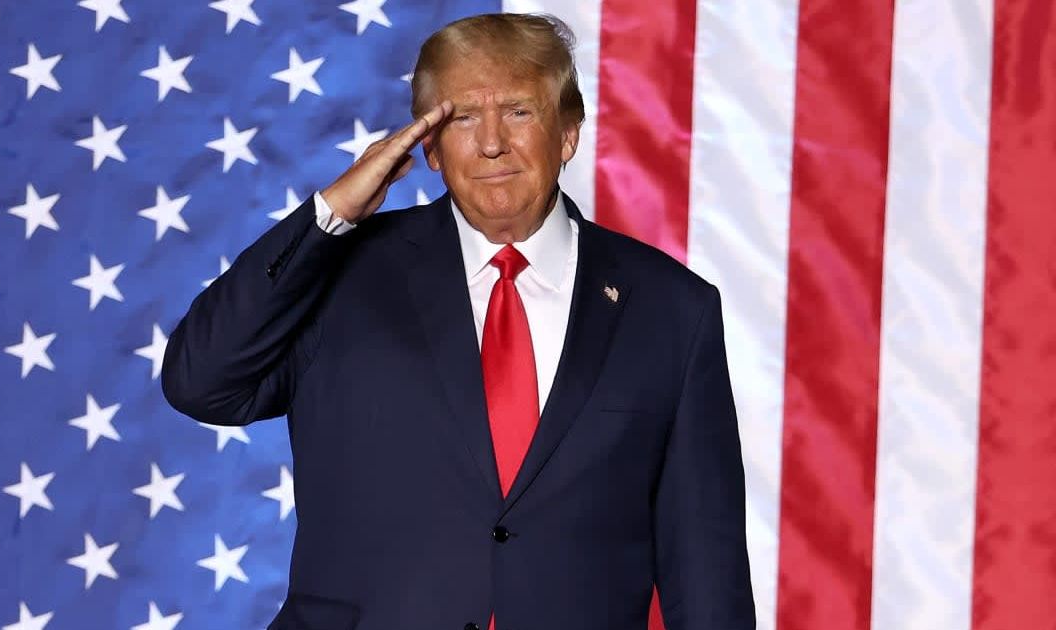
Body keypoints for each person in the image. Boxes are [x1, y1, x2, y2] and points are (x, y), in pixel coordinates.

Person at [161, 12, 755, 630]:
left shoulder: (670, 308)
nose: (492, 142)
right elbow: (200, 383)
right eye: (462, 117)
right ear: (430, 149)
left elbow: (705, 567)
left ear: (569, 134)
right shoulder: (339, 274)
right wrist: (331, 213)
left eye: (520, 112)